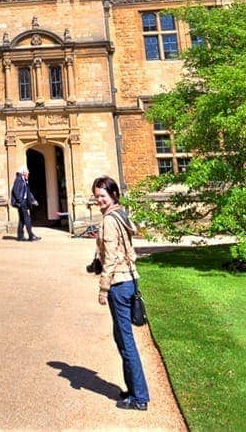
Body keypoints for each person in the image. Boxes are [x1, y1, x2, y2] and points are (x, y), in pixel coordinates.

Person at [92, 175, 148, 411]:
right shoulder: (121, 214)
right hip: (130, 280)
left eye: (102, 196)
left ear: (113, 195)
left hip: (119, 283)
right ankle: (133, 389)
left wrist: (103, 288)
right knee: (121, 338)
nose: (99, 201)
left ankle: (139, 397)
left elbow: (112, 258)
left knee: (126, 341)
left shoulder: (109, 221)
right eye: (96, 197)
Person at [10, 167, 39, 241]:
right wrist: (20, 201)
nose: (28, 174)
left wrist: (33, 200)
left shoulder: (24, 180)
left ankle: (20, 237)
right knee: (27, 219)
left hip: (23, 202)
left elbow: (28, 192)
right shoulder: (19, 180)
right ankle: (31, 236)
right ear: (23, 173)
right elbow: (15, 191)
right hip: (22, 203)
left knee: (22, 220)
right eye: (27, 172)